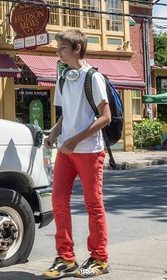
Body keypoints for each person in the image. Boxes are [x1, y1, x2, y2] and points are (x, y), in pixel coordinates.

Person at [42, 29, 112, 279]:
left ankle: (99, 258)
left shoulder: (93, 77)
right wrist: (54, 134)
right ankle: (66, 258)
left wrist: (74, 140)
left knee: (93, 204)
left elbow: (106, 117)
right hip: (66, 150)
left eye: (61, 47)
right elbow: (67, 115)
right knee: (58, 200)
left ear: (77, 49)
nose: (57, 51)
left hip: (89, 150)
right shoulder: (63, 78)